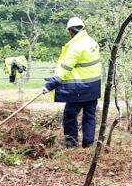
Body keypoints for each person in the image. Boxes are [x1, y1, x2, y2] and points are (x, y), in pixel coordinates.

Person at [42, 17, 102, 148]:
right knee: (89, 116)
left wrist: (50, 85)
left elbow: (65, 69)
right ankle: (88, 143)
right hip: (93, 88)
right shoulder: (92, 42)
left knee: (69, 114)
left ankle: (71, 143)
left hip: (79, 90)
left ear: (71, 30)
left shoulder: (76, 47)